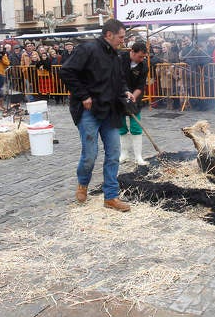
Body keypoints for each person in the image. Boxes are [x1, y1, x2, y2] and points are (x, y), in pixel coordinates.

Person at [59, 19, 135, 213]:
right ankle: (83, 184)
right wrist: (83, 95)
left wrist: (125, 91)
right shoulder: (87, 49)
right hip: (88, 111)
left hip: (110, 110)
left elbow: (120, 79)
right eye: (120, 37)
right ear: (109, 35)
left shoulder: (116, 56)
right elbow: (67, 72)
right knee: (90, 155)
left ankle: (111, 196)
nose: (123, 41)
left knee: (113, 154)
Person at [118, 42, 149, 166]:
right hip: (118, 96)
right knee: (121, 127)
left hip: (135, 98)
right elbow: (116, 78)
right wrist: (124, 93)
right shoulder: (119, 59)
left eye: (143, 57)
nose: (142, 59)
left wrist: (132, 97)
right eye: (140, 56)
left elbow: (140, 85)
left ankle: (138, 157)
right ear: (132, 52)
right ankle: (124, 154)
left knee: (136, 127)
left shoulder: (143, 66)